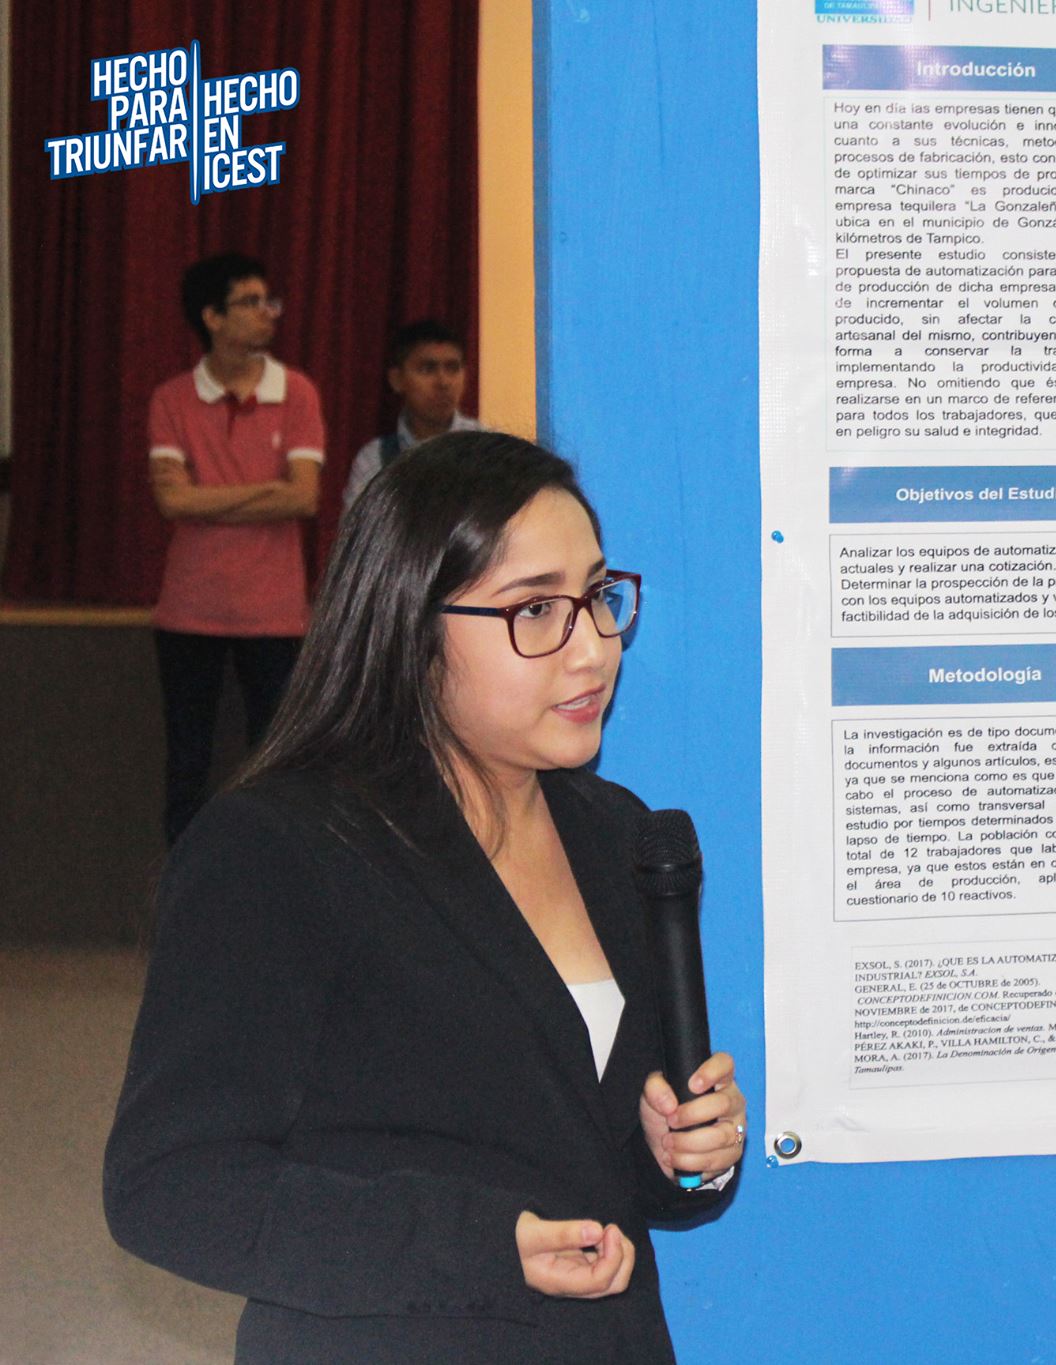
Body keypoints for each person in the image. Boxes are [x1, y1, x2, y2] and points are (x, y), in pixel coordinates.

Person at [105, 433, 746, 1361]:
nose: (595, 647)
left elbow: (591, 1156)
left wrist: (677, 1155)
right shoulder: (281, 846)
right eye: (536, 610)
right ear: (411, 625)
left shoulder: (617, 832)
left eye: (599, 596)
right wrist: (477, 1245)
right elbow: (169, 1185)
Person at [147, 252, 325, 845]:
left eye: (269, 300)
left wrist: (207, 497)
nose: (268, 312)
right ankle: (183, 880)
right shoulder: (171, 399)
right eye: (250, 302)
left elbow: (303, 497)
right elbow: (171, 501)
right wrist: (265, 490)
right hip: (189, 612)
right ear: (212, 317)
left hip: (275, 614)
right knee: (188, 761)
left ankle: (272, 873)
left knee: (278, 760)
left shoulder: (297, 393)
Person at [341, 318, 483, 512]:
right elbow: (358, 529)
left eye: (452, 368)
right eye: (427, 369)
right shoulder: (375, 459)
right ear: (397, 380)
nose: (443, 382)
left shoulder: (487, 449)